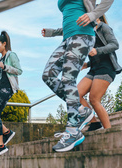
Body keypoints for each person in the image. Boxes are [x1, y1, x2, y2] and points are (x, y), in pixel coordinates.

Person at [41, 0, 113, 152]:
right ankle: (81, 109)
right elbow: (71, 21)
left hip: (83, 36)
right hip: (67, 39)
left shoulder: (102, 26)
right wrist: (52, 32)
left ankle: (73, 131)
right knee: (48, 75)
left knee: (68, 79)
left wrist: (93, 14)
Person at [78, 15, 122, 132]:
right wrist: (87, 64)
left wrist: (97, 50)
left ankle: (108, 130)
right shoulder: (88, 33)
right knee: (76, 94)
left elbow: (114, 44)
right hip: (94, 69)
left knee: (94, 99)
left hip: (106, 68)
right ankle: (94, 123)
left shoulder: (104, 28)